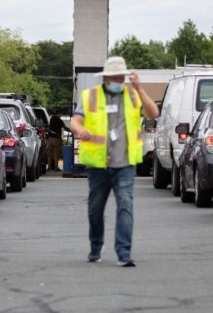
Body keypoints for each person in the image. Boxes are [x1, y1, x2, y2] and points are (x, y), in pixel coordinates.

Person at [70, 56, 159, 267]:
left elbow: (153, 113)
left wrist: (139, 88)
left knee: (125, 204)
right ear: (106, 78)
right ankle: (95, 247)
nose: (118, 81)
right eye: (115, 77)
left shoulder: (132, 95)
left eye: (122, 77)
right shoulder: (90, 96)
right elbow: (75, 119)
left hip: (125, 163)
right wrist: (80, 130)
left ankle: (123, 252)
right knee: (95, 209)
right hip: (98, 165)